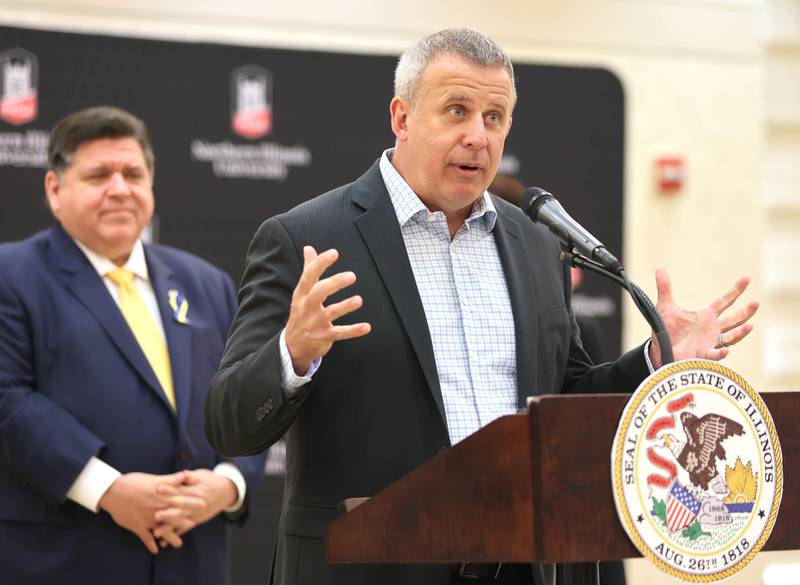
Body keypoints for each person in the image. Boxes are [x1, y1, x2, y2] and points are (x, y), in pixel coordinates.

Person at [205, 29, 757, 585]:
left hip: (519, 564)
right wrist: (291, 354)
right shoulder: (307, 237)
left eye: (494, 117)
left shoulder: (535, 243)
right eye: (456, 111)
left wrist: (652, 361)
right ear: (401, 118)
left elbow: (562, 404)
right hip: (370, 569)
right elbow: (229, 423)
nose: (477, 136)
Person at [0, 106, 265, 585]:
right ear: (54, 191)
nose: (119, 188)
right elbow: (8, 401)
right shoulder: (11, 276)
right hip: (65, 559)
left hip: (194, 560)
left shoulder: (207, 283)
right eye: (98, 174)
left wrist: (228, 484)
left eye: (132, 174)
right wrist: (107, 489)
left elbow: (244, 400)